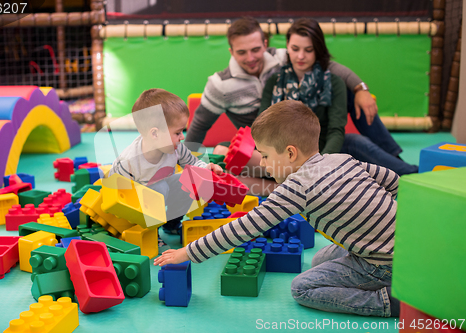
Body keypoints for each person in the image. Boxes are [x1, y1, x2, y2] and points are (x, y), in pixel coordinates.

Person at [155, 100, 400, 317]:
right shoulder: (340, 158)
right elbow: (393, 180)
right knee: (319, 259)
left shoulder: (296, 188)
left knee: (302, 288)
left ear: (290, 153)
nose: (261, 164)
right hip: (405, 243)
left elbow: (242, 228)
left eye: (265, 156)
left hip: (380, 265)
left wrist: (186, 252)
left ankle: (386, 301)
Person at [260, 18, 418, 176]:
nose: (301, 56)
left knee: (356, 142)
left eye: (308, 50)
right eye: (295, 49)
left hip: (322, 151)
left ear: (318, 50)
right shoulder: (275, 81)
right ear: (287, 46)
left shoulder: (334, 81)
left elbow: (336, 130)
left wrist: (319, 163)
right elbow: (264, 125)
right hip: (284, 154)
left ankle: (414, 173)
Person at [108, 88, 223, 242]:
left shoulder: (176, 148)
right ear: (155, 134)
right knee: (159, 189)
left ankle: (171, 224)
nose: (182, 137)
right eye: (178, 133)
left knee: (187, 181)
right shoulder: (130, 161)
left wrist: (206, 168)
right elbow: (117, 191)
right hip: (135, 201)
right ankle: (151, 233)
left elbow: (193, 163)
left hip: (160, 190)